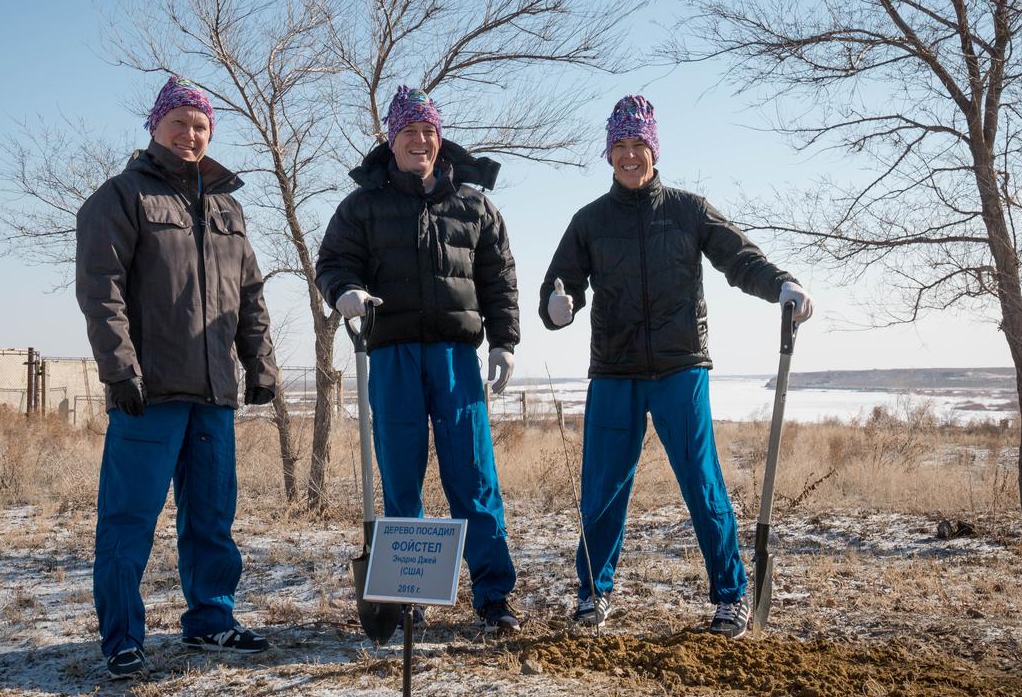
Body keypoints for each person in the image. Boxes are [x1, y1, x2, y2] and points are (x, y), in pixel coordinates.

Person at [540, 94, 813, 639]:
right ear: (608, 153)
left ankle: (730, 596)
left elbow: (739, 258)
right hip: (615, 372)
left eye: (638, 144)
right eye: (620, 145)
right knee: (603, 488)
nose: (629, 155)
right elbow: (560, 282)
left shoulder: (688, 210)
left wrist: (781, 281)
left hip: (679, 367)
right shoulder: (589, 221)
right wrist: (558, 303)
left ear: (654, 149)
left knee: (701, 481)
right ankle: (593, 594)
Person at [76, 75, 280, 679]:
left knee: (213, 516)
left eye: (200, 125)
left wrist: (260, 363)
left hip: (214, 393)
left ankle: (211, 620)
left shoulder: (228, 207)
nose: (191, 134)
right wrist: (119, 370)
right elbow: (100, 291)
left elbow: (249, 294)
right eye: (179, 123)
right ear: (155, 127)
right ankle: (121, 638)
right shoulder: (121, 197)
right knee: (129, 517)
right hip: (150, 392)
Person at [315, 86, 523, 634]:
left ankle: (494, 596)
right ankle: (407, 595)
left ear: (439, 137)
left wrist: (504, 341)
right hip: (393, 355)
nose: (421, 141)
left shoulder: (474, 205)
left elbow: (499, 277)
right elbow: (333, 261)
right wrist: (345, 292)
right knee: (401, 476)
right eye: (409, 132)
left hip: (456, 357)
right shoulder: (362, 205)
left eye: (428, 131)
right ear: (392, 138)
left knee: (473, 476)